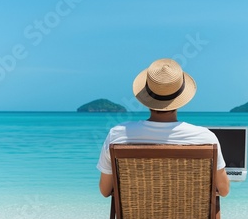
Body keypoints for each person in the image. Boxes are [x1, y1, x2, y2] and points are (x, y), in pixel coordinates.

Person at [96, 58, 230, 197]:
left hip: (136, 218)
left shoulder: (118, 135)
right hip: (190, 218)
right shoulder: (205, 138)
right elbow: (224, 190)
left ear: (147, 98)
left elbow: (105, 191)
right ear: (181, 99)